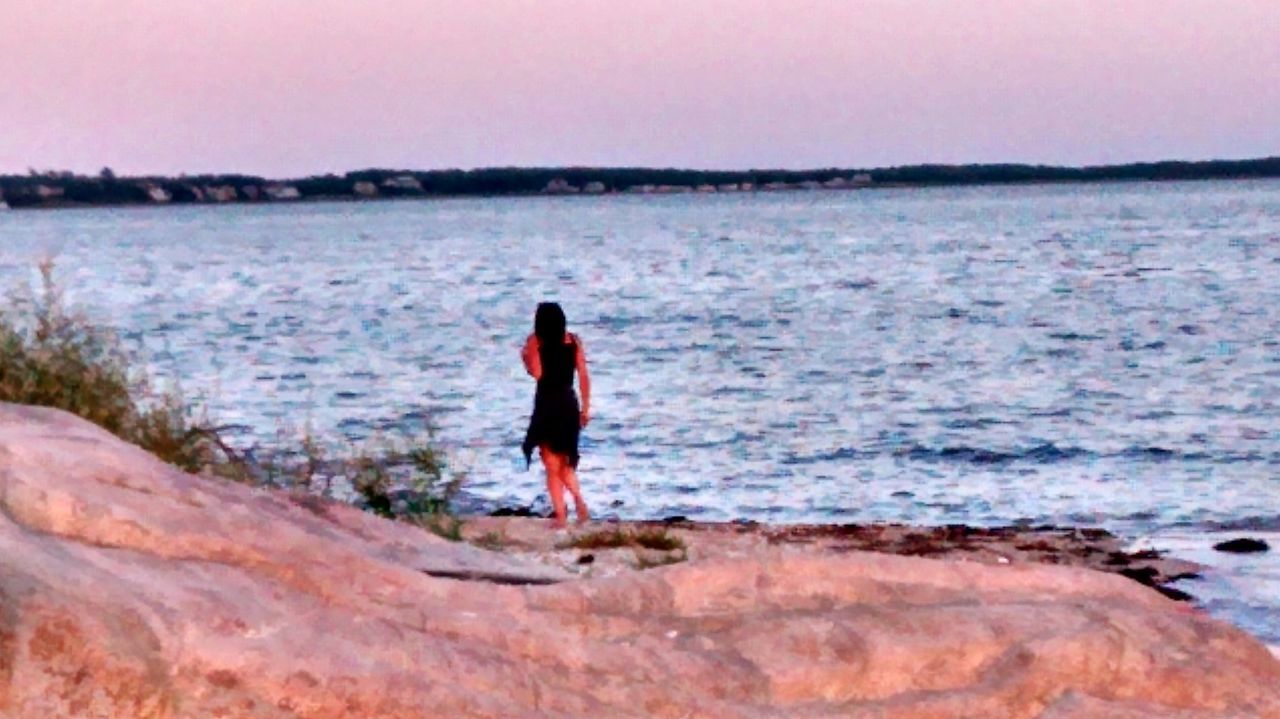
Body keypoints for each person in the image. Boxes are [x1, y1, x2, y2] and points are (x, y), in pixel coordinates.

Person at [521, 302, 591, 528]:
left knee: (551, 465)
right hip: (569, 403)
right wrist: (586, 408)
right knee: (565, 462)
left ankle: (561, 516)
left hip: (547, 403)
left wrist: (525, 357)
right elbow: (583, 376)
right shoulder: (574, 341)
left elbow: (538, 373)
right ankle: (578, 500)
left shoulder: (536, 341)